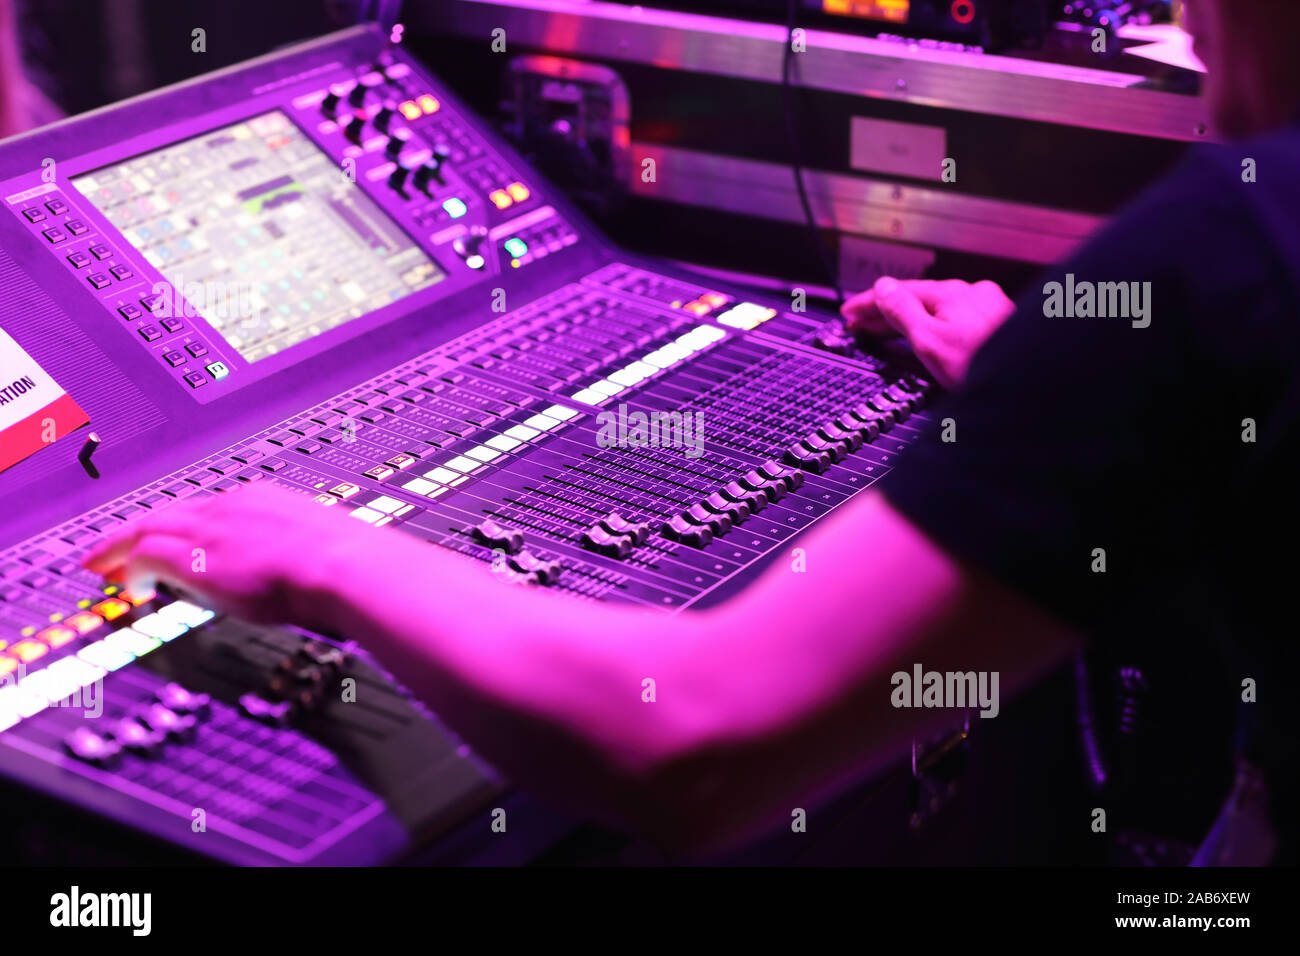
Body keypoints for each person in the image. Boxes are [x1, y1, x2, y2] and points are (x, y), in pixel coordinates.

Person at [86, 0, 1296, 863]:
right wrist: (1065, 398)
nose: (1182, 20)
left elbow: (692, 741)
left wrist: (331, 555)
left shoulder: (1230, 241)